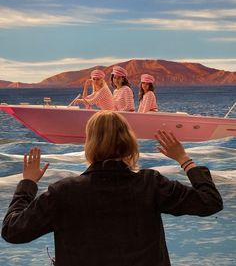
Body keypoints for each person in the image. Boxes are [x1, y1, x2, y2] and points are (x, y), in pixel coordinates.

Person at [1, 111, 223, 266]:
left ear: (90, 144)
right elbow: (209, 202)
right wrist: (184, 159)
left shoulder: (64, 192)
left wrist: (28, 184)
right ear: (129, 142)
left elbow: (13, 231)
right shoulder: (150, 184)